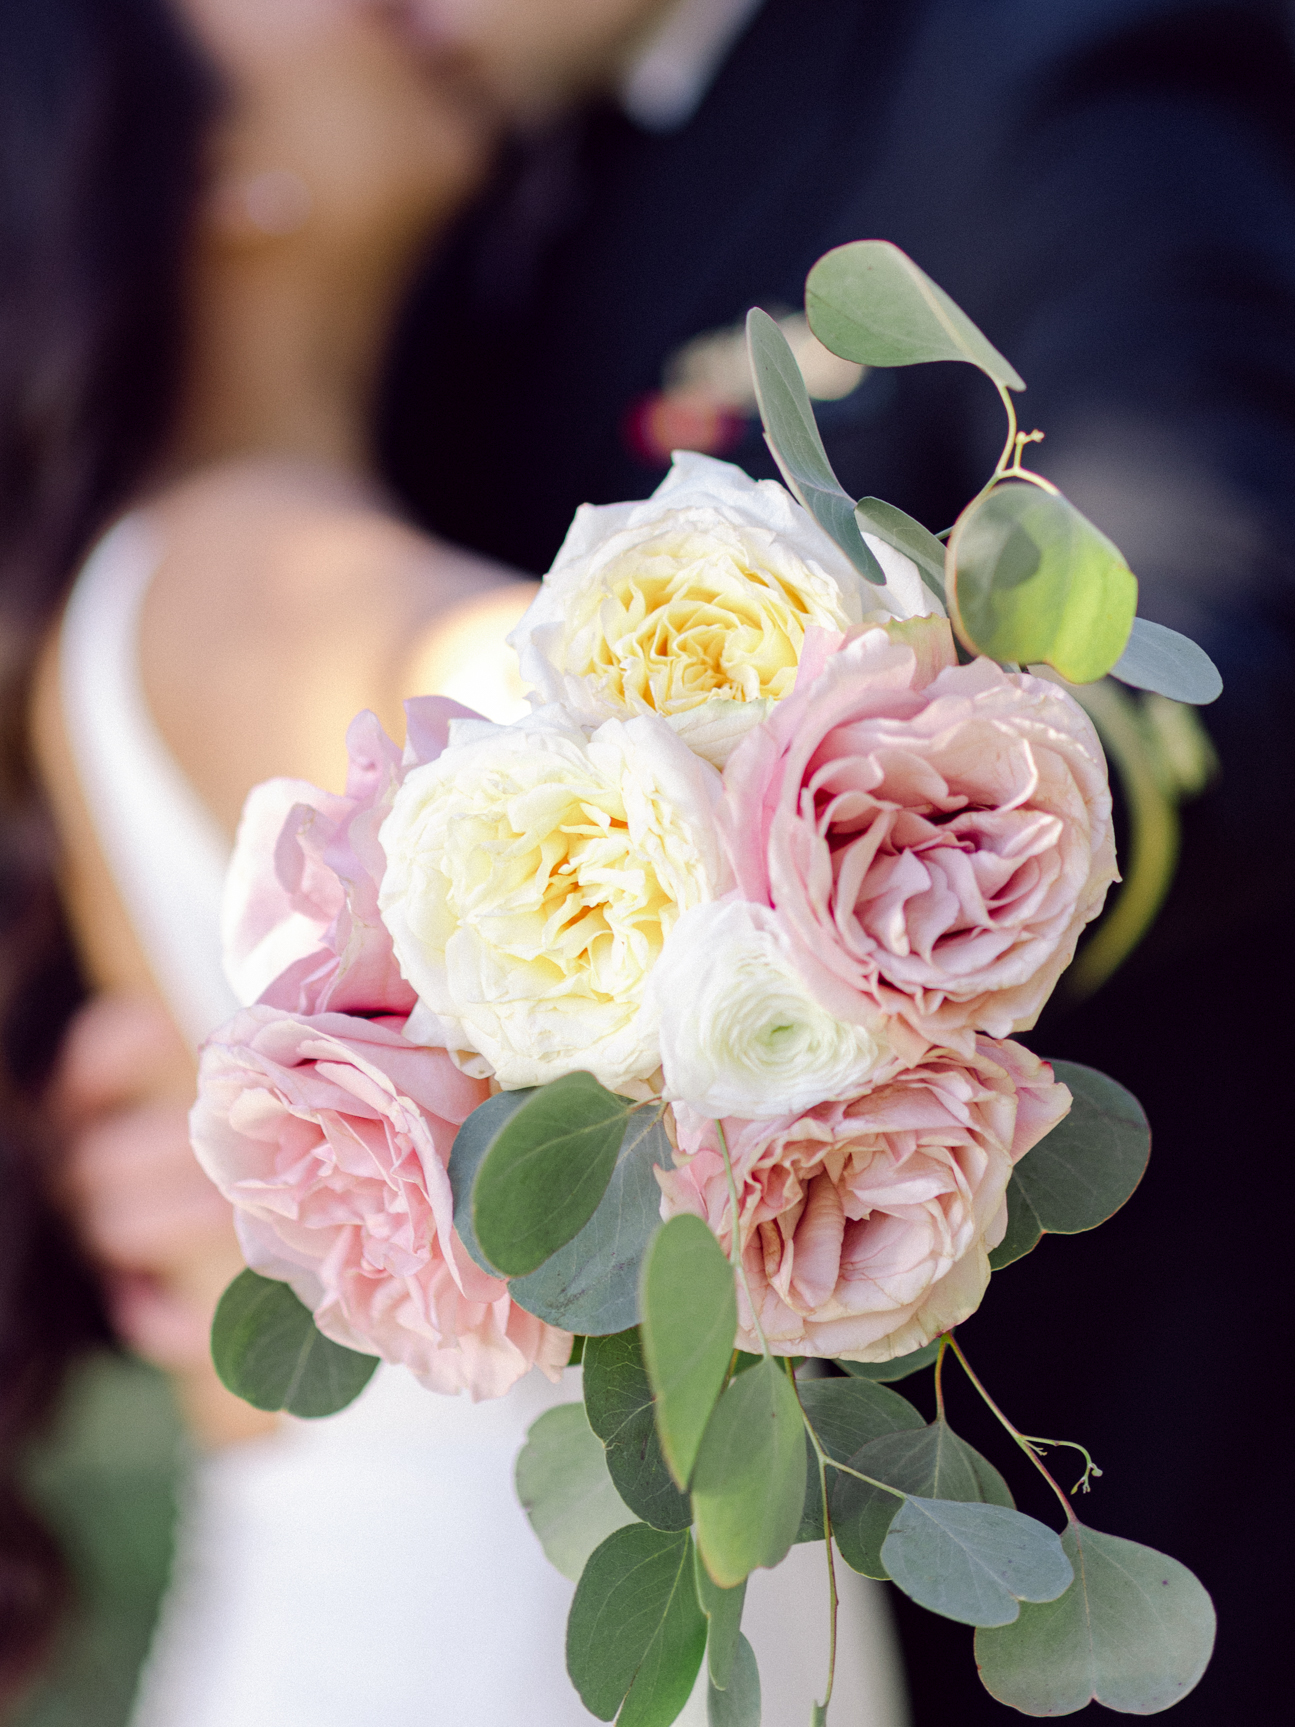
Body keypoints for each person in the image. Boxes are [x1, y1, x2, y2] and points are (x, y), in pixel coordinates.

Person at [373, 2, 1294, 1723]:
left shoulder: (1029, 51)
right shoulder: (485, 193)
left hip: (1122, 1469)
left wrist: (870, 893)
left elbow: (1230, 615)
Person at [2, 2, 909, 1724]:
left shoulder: (177, 577)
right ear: (217, 170)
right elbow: (701, 777)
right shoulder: (239, 577)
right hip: (488, 1637)